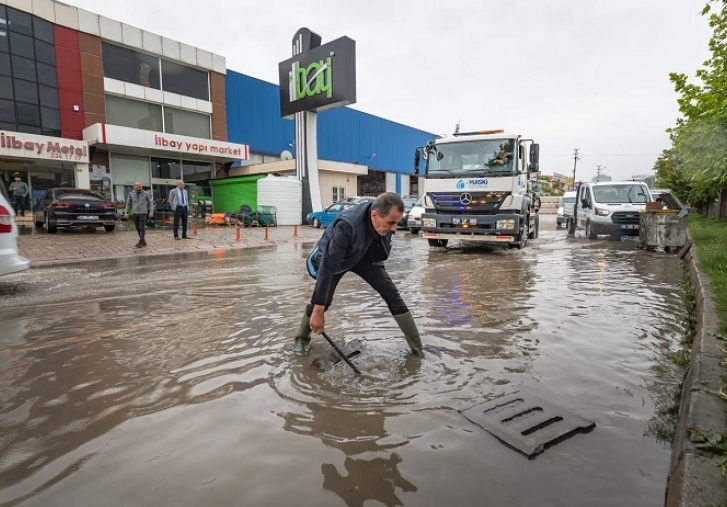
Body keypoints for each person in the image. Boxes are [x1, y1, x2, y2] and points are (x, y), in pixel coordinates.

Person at [293, 192, 424, 356]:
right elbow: (327, 266)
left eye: (397, 223)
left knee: (392, 294)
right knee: (322, 302)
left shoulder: (384, 224)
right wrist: (318, 311)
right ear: (374, 215)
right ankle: (301, 339)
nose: (394, 229)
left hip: (365, 256)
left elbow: (381, 249)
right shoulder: (347, 225)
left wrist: (388, 228)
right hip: (337, 260)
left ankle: (418, 349)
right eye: (391, 223)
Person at [125, 181, 152, 248]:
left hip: (143, 213)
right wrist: (126, 212)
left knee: (141, 227)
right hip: (135, 213)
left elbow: (150, 203)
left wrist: (151, 211)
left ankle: (140, 242)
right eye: (138, 186)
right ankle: (143, 241)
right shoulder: (131, 194)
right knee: (138, 228)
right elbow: (128, 204)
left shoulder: (146, 194)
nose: (140, 187)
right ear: (134, 187)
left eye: (141, 186)